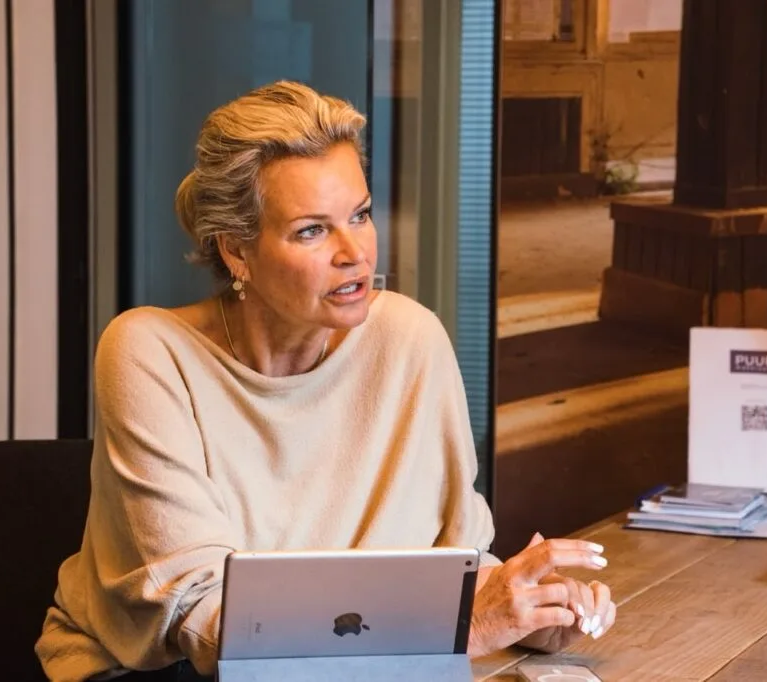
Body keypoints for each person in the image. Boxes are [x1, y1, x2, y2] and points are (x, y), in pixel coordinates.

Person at [34, 80, 616, 682]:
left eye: (359, 216)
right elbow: (207, 623)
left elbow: (453, 564)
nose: (355, 253)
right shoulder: (148, 352)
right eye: (312, 230)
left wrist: (535, 611)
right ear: (236, 251)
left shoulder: (409, 339)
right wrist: (465, 630)